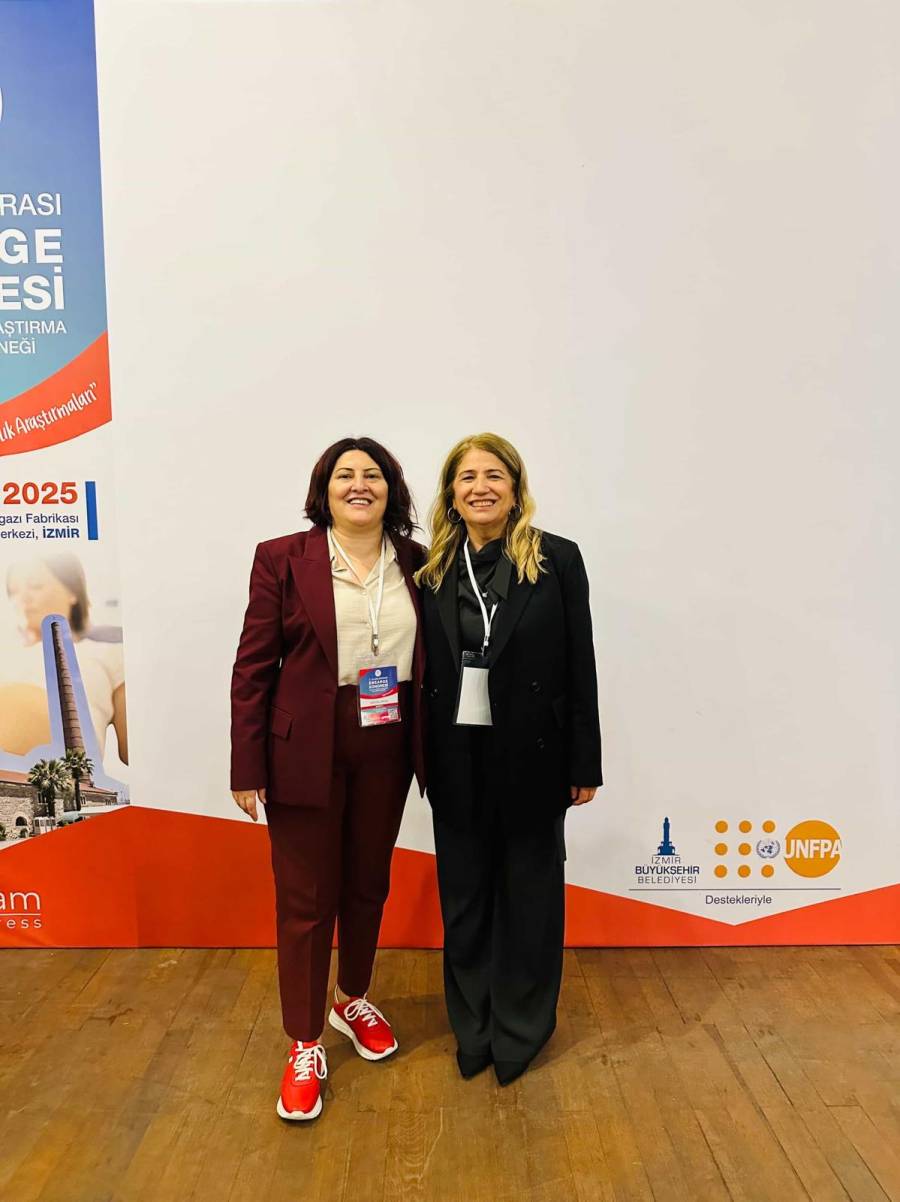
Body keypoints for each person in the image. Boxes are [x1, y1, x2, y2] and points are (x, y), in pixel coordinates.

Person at [231, 436, 425, 1122]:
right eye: (346, 475)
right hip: (305, 745)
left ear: (391, 489)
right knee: (307, 900)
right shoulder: (282, 558)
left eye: (373, 474)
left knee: (368, 881)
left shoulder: (417, 561)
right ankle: (305, 1041)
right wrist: (247, 764)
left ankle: (353, 998)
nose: (359, 485)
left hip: (389, 736)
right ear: (325, 489)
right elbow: (253, 667)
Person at [416, 432, 602, 1086]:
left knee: (529, 898)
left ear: (516, 488)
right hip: (455, 758)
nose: (481, 487)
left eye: (494, 475)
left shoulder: (557, 559)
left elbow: (580, 662)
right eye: (467, 477)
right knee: (465, 899)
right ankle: (473, 1028)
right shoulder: (431, 568)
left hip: (535, 757)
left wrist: (585, 762)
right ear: (452, 493)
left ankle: (521, 1030)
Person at [1, 554, 127, 765]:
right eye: (13, 591)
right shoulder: (6, 653)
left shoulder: (107, 653)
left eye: (35, 586)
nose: (22, 598)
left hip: (58, 776)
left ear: (72, 591)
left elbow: (138, 750)